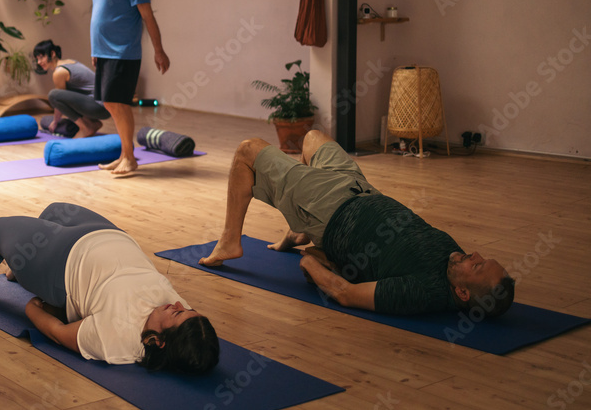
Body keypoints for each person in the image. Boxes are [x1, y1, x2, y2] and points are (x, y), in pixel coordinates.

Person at [199, 131, 515, 317]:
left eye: (477, 267)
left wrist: (311, 263)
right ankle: (299, 221)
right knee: (312, 138)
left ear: (460, 293)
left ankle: (230, 241)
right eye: (481, 259)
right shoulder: (455, 263)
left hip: (331, 208)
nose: (473, 255)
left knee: (247, 150)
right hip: (359, 188)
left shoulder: (422, 291)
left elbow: (346, 293)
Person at [0, 202, 219, 374]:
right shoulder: (177, 314)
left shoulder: (116, 339)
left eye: (179, 315)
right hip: (106, 234)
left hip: (61, 263)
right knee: (54, 211)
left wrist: (32, 308)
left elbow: (57, 333)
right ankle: (19, 268)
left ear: (158, 342)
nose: (179, 305)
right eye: (188, 309)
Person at [89, 0, 170, 175]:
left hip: (123, 52)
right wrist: (95, 50)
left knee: (118, 103)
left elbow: (147, 17)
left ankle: (130, 158)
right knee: (111, 104)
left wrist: (159, 50)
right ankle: (124, 154)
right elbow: (101, 14)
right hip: (103, 53)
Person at [33, 39, 111, 138]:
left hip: (100, 107)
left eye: (41, 57)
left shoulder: (59, 72)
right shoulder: (69, 62)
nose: (39, 62)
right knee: (60, 94)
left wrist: (55, 122)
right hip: (103, 107)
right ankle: (92, 123)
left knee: (53, 95)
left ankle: (85, 127)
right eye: (37, 59)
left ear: (52, 54)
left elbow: (57, 100)